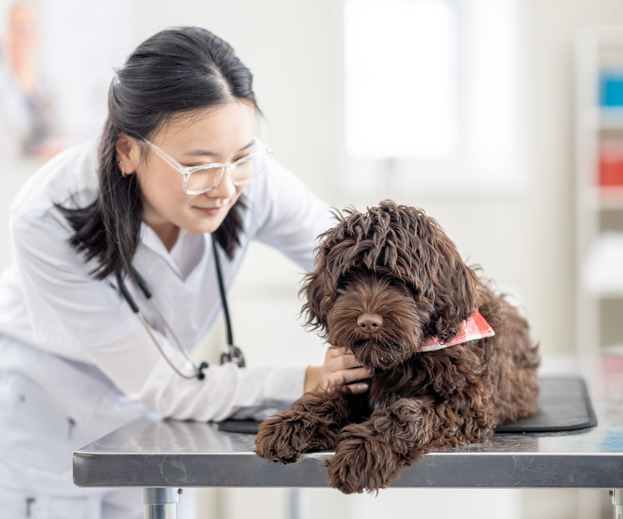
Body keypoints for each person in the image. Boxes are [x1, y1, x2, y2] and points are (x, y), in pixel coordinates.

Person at [0, 26, 372, 519]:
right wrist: (311, 378)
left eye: (241, 157)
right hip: (47, 416)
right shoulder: (47, 217)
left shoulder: (249, 179)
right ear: (127, 151)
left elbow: (357, 258)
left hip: (164, 416)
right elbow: (161, 380)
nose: (225, 187)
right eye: (198, 166)